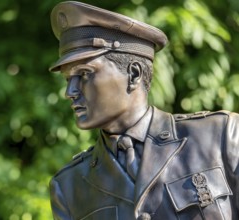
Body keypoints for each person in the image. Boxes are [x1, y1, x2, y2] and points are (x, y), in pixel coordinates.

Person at [48, 1, 239, 220]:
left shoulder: (220, 136)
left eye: (84, 74)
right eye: (67, 79)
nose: (69, 91)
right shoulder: (69, 186)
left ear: (134, 74)